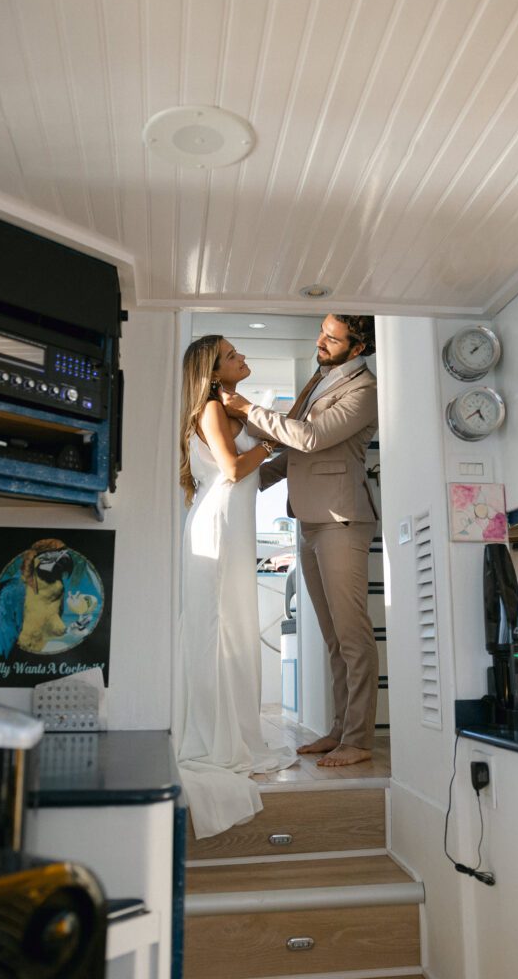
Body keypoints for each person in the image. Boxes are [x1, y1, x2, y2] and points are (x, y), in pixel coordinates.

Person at [221, 314, 379, 768]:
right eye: (323, 332)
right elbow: (289, 452)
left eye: (332, 337)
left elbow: (310, 438)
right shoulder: (319, 378)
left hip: (342, 519)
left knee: (352, 635)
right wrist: (241, 481)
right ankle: (339, 730)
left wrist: (249, 409)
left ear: (358, 346)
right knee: (332, 638)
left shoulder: (364, 390)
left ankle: (361, 740)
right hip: (309, 520)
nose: (321, 340)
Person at [176, 334, 296, 839]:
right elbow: (231, 469)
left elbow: (250, 472)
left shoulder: (228, 410)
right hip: (220, 528)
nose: (242, 357)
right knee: (221, 631)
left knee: (232, 630)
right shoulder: (209, 409)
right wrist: (269, 442)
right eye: (232, 355)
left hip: (231, 525)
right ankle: (220, 737)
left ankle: (229, 730)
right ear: (212, 369)